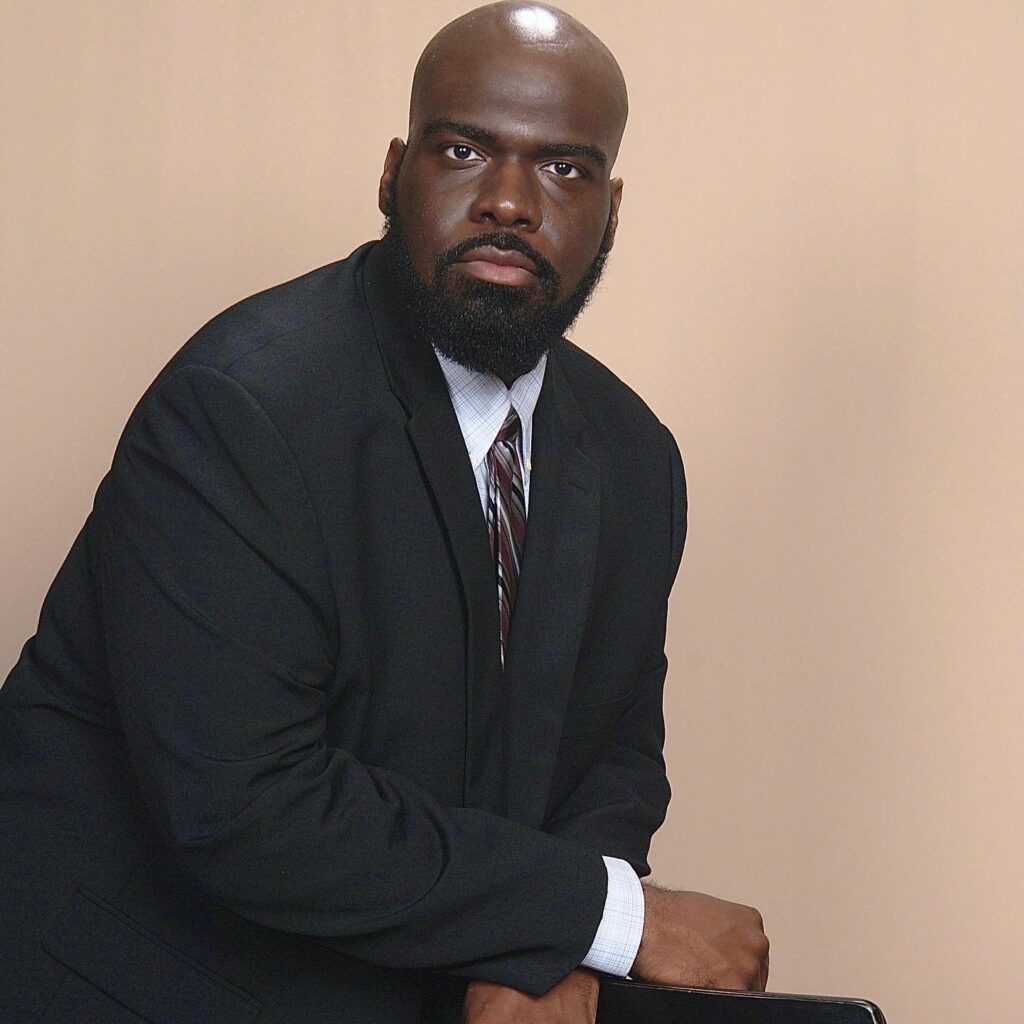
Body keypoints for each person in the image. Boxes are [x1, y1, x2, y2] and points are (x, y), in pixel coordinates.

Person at [0, 3, 769, 1022]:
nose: (507, 201)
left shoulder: (633, 456)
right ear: (391, 173)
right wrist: (606, 916)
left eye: (563, 169)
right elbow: (247, 809)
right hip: (151, 986)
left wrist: (541, 951)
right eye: (463, 149)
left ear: (612, 210)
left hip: (409, 977)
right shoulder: (242, 408)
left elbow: (612, 751)